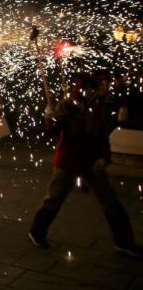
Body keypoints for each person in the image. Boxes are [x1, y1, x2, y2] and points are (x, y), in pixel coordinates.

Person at [28, 74, 140, 257]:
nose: (97, 90)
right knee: (53, 199)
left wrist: (104, 158)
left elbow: (103, 137)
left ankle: (124, 242)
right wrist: (50, 117)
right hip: (67, 161)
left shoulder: (97, 109)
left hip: (91, 162)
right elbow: (53, 130)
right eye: (90, 88)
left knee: (111, 202)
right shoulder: (67, 106)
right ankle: (37, 232)